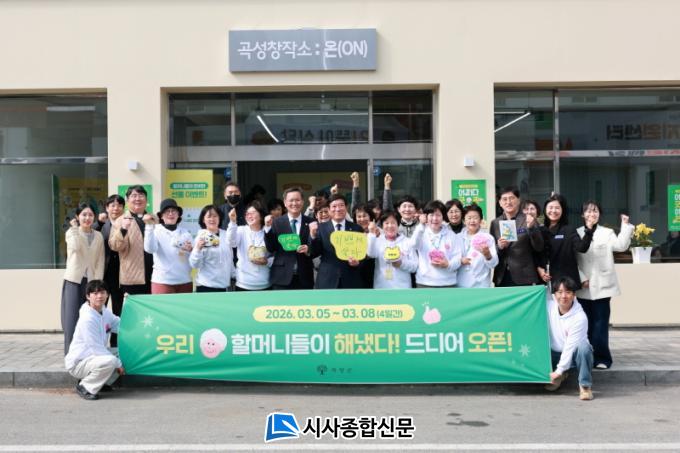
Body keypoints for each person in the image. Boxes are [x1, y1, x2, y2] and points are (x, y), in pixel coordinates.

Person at [576, 201, 634, 369]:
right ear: (583, 215)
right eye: (588, 211)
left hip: (603, 284)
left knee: (601, 323)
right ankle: (585, 357)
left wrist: (625, 226)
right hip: (584, 286)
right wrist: (581, 278)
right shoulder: (577, 233)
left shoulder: (607, 232)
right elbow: (573, 259)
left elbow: (621, 246)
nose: (592, 214)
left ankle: (602, 358)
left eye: (595, 211)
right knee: (584, 323)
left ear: (599, 214)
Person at [65, 280, 124, 401]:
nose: (99, 296)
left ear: (107, 295)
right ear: (88, 296)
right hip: (79, 363)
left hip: (93, 358)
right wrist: (119, 364)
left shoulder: (104, 311)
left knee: (124, 353)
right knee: (112, 361)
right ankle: (85, 386)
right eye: (95, 293)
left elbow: (120, 325)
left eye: (102, 292)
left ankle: (101, 383)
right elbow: (97, 349)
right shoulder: (87, 319)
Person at [61, 203, 105, 354]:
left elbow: (100, 260)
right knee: (72, 319)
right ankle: (70, 354)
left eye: (90, 215)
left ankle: (90, 352)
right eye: (84, 215)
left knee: (91, 318)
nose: (87, 218)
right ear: (77, 217)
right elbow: (74, 247)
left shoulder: (98, 235)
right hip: (74, 280)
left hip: (91, 282)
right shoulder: (71, 232)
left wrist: (97, 283)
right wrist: (74, 228)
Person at [545, 276, 594, 401]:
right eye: (560, 292)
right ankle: (561, 374)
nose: (563, 296)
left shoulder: (579, 318)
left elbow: (570, 347)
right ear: (554, 294)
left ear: (574, 294)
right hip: (553, 353)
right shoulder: (549, 306)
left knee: (584, 348)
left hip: (572, 356)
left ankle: (585, 386)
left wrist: (559, 371)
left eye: (568, 292)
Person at [490, 186, 544, 287]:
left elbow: (539, 247)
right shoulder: (495, 223)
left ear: (518, 200)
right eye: (504, 199)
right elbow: (492, 250)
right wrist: (499, 247)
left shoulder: (528, 219)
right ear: (500, 203)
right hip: (502, 276)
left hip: (524, 276)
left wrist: (532, 228)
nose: (508, 202)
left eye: (511, 198)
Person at [309, 194, 366, 289]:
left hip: (351, 279)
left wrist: (358, 262)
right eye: (334, 206)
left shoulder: (356, 228)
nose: (338, 209)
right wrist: (313, 236)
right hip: (327, 279)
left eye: (341, 205)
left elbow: (363, 254)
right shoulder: (320, 228)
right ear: (329, 209)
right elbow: (313, 252)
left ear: (346, 207)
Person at [537, 194, 594, 290]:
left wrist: (588, 230)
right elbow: (536, 254)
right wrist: (539, 269)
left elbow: (582, 248)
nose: (553, 211)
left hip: (565, 283)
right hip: (544, 281)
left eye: (557, 208)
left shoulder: (569, 230)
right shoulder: (540, 230)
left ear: (562, 210)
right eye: (550, 207)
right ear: (545, 209)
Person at [264, 187, 315, 290]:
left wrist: (309, 249)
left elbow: (317, 248)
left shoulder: (311, 222)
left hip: (304, 276)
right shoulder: (277, 222)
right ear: (285, 203)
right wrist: (267, 228)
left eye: (297, 200)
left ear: (302, 201)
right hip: (281, 276)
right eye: (291, 200)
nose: (294, 203)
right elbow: (271, 248)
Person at [109, 185, 154, 296]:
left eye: (141, 195)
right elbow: (114, 246)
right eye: (134, 196)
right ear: (127, 200)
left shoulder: (154, 219)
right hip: (132, 278)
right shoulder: (120, 221)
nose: (137, 198)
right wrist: (123, 229)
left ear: (146, 200)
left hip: (155, 277)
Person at [143, 198, 194, 294]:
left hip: (184, 281)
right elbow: (149, 249)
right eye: (167, 211)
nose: (171, 214)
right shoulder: (155, 230)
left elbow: (195, 257)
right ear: (161, 216)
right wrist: (149, 226)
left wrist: (191, 250)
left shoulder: (186, 233)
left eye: (174, 211)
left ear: (178, 215)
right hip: (162, 282)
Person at [409, 200, 463, 288]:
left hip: (448, 283)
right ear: (426, 216)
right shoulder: (421, 232)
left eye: (438, 215)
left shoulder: (451, 235)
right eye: (431, 215)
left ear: (443, 217)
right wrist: (421, 225)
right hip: (425, 283)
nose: (435, 218)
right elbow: (413, 245)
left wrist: (448, 265)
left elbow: (457, 258)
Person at [95, 194, 125, 347]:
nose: (116, 208)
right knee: (100, 308)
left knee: (118, 309)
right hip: (104, 273)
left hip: (121, 273)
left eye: (119, 205)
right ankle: (99, 342)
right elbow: (91, 233)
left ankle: (116, 343)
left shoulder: (126, 223)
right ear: (107, 208)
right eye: (112, 205)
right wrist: (99, 223)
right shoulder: (102, 225)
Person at [366, 211, 418, 289]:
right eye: (386, 223)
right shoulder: (378, 240)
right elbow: (371, 254)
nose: (390, 226)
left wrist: (401, 264)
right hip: (381, 287)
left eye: (393, 223)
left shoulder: (407, 242)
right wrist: (371, 233)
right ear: (382, 226)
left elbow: (415, 266)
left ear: (398, 224)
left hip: (403, 288)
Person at [228, 202, 272, 291]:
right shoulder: (241, 230)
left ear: (261, 215)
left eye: (252, 213)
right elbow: (231, 242)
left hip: (265, 282)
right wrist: (232, 222)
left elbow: (276, 254)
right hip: (243, 283)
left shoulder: (268, 230)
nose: (249, 216)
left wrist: (267, 262)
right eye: (247, 214)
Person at [190, 205, 234, 292]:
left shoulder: (226, 235)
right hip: (205, 286)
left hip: (224, 286)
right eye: (209, 216)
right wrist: (198, 249)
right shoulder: (200, 237)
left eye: (215, 216)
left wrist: (234, 275)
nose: (212, 219)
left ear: (219, 218)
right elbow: (195, 264)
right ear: (203, 220)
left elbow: (230, 259)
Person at [457, 204, 498, 288]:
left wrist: (488, 255)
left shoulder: (488, 238)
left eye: (475, 218)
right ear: (464, 220)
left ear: (481, 220)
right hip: (460, 285)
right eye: (469, 218)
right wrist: (459, 261)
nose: (472, 221)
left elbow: (493, 264)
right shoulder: (457, 238)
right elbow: (450, 260)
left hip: (481, 285)